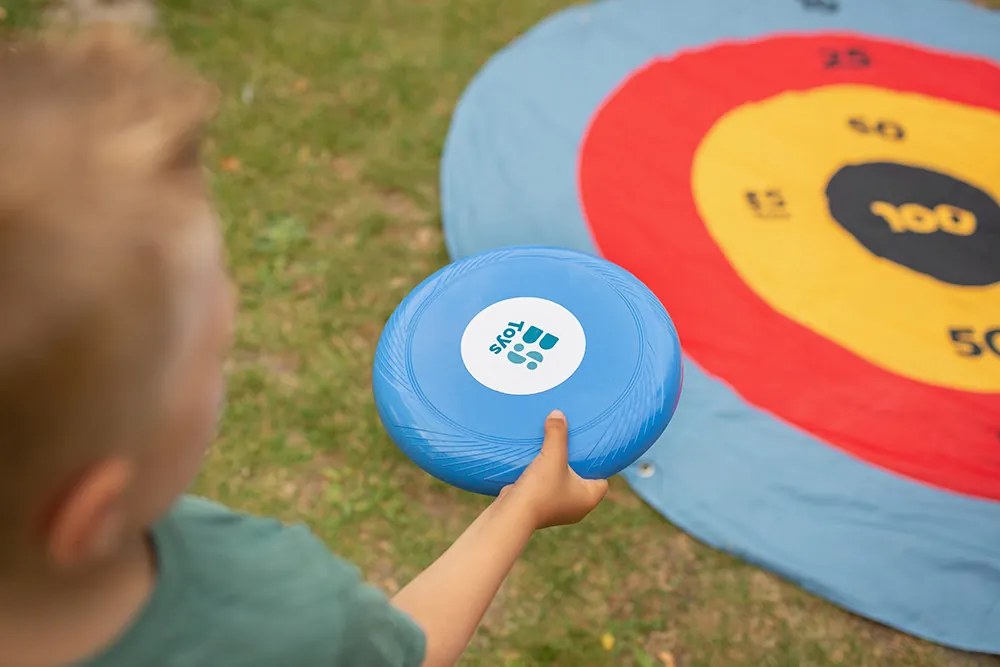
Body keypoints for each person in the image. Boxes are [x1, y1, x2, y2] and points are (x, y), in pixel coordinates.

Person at [0, 27, 609, 667]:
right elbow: (410, 654)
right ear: (91, 515)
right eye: (215, 351)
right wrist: (519, 509)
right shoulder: (273, 616)